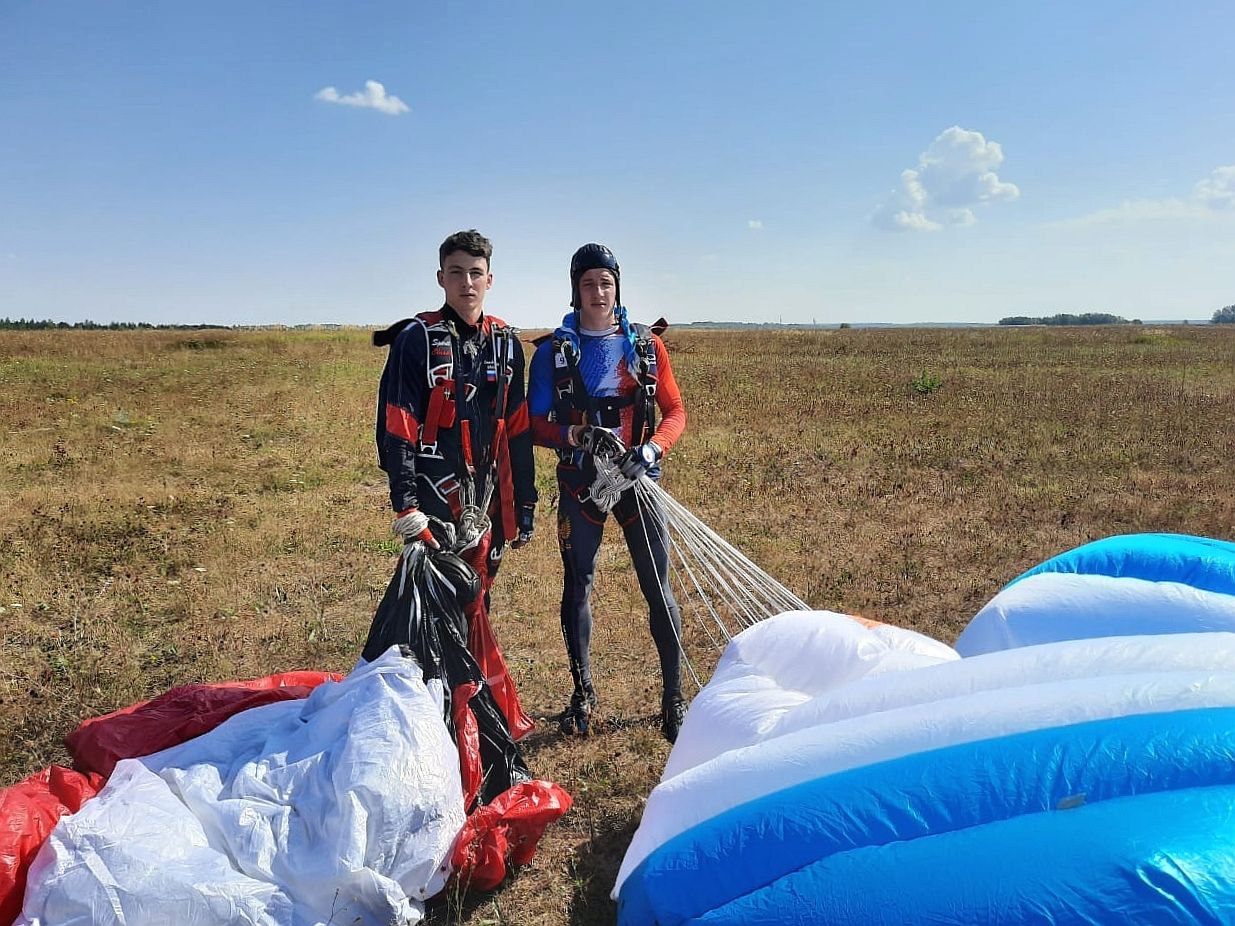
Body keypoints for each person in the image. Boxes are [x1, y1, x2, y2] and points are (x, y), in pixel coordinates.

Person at [374, 229, 537, 739]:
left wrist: (523, 504)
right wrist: (406, 507)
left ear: (490, 278)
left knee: (478, 600)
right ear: (440, 277)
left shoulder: (507, 344)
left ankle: (472, 717)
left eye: (476, 272)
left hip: (482, 507)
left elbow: (518, 429)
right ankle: (434, 718)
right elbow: (396, 424)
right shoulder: (415, 342)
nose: (467, 282)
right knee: (436, 606)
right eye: (456, 272)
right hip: (432, 501)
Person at [528, 243, 689, 742]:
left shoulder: (645, 347)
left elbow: (675, 411)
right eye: (588, 284)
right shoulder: (554, 354)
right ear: (574, 289)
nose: (598, 292)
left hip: (640, 483)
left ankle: (673, 698)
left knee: (657, 585)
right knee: (578, 584)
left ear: (617, 286)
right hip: (581, 485)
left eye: (606, 283)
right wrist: (574, 435)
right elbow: (532, 423)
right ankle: (583, 693)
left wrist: (654, 450)